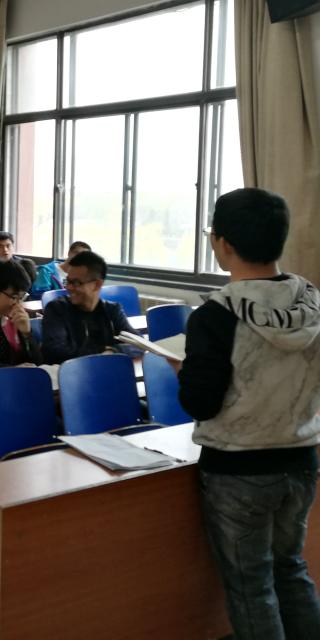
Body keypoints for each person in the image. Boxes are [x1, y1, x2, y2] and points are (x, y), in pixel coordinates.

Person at [176, 188, 320, 639]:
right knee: (290, 568)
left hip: (238, 470)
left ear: (222, 243)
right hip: (302, 458)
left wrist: (185, 371)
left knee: (251, 587)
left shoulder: (216, 315)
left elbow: (200, 403)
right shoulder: (311, 302)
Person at [40, 250, 134, 364]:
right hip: (71, 373)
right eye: (68, 281)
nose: (69, 288)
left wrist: (113, 351)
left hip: (106, 370)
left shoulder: (112, 310)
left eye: (76, 283)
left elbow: (138, 345)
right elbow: (55, 352)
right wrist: (101, 353)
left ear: (97, 284)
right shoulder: (57, 309)